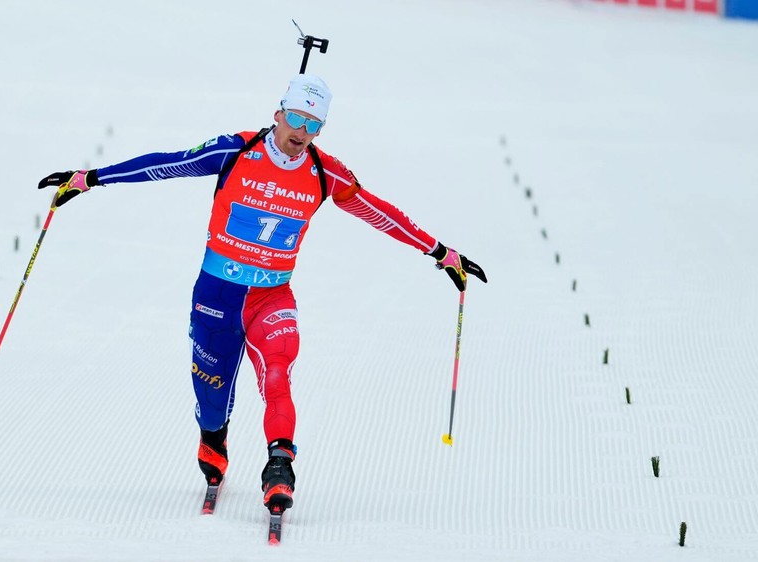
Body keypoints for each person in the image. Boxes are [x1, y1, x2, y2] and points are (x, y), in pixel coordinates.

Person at [37, 74, 487, 513]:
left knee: (277, 370)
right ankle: (214, 437)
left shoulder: (325, 172)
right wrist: (90, 178)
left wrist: (440, 251)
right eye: (296, 119)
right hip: (218, 292)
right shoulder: (238, 148)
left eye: (314, 125)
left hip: (271, 296)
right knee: (212, 403)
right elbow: (169, 163)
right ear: (278, 114)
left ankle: (280, 464)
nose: (302, 132)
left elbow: (377, 211)